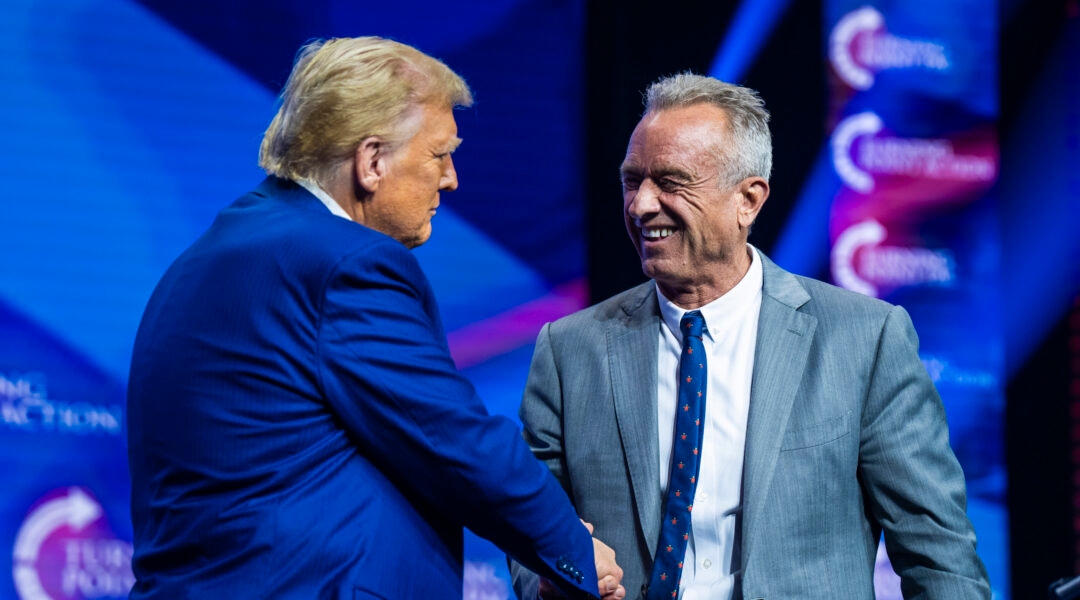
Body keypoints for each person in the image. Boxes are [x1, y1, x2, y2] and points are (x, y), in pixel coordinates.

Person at [126, 36, 625, 599]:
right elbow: (450, 437)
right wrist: (573, 550)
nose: (452, 178)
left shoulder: (210, 256)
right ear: (372, 161)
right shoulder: (345, 264)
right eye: (440, 154)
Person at [510, 73, 991, 599]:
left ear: (749, 200)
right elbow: (527, 537)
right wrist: (556, 575)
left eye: (670, 182)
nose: (641, 205)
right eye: (632, 180)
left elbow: (939, 557)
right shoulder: (569, 350)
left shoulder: (864, 340)